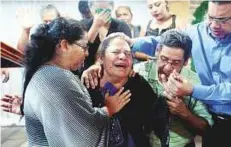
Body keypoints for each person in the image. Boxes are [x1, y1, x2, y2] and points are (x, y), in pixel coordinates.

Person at [131, 1, 231, 146]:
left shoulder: (191, 82)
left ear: (185, 62)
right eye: (211, 17)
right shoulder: (197, 32)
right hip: (214, 123)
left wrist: (192, 92)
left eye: (222, 20)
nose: (215, 25)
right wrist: (130, 43)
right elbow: (166, 42)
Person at [21, 17, 131, 146]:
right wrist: (108, 109)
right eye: (83, 47)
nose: (87, 54)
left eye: (128, 53)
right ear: (64, 45)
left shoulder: (49, 73)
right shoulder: (57, 79)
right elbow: (83, 136)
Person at [83, 33, 169, 147]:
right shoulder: (88, 83)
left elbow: (158, 124)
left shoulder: (138, 84)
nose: (123, 56)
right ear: (101, 58)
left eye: (128, 54)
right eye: (116, 52)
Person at [133, 30, 213, 147]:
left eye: (175, 63)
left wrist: (184, 113)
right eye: (164, 59)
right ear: (156, 52)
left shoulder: (196, 83)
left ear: (186, 61)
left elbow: (206, 129)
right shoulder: (138, 72)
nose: (167, 68)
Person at [81, 0, 131, 71]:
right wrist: (95, 26)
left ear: (112, 7)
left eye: (106, 11)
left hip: (114, 71)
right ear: (90, 8)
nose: (102, 14)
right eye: (99, 10)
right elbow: (82, 49)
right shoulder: (83, 24)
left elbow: (126, 52)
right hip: (87, 70)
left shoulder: (121, 26)